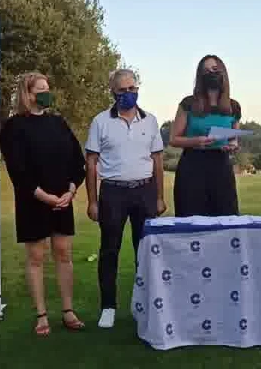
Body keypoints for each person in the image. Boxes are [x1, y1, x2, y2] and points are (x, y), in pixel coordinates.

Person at [0, 72, 86, 335]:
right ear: (27, 94)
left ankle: (68, 310)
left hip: (62, 199)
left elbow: (77, 160)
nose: (47, 93)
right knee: (36, 257)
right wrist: (43, 196)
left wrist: (71, 190)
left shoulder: (58, 123)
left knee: (63, 253)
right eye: (41, 89)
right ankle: (41, 315)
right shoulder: (13, 127)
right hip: (33, 201)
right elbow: (18, 170)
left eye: (48, 88)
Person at [84, 68, 166, 329]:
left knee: (146, 250)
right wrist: (92, 201)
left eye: (133, 88)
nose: (129, 93)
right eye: (123, 90)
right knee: (110, 250)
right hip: (113, 192)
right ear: (113, 92)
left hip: (145, 190)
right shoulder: (100, 122)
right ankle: (108, 307)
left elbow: (158, 160)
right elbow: (91, 162)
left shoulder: (150, 121)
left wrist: (160, 197)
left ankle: (147, 304)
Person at [169, 55, 241, 216]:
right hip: (192, 167)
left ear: (223, 72)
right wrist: (196, 141)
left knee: (226, 217)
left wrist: (233, 145)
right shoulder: (188, 104)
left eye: (214, 69)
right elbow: (174, 139)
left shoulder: (233, 106)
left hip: (221, 167)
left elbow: (234, 138)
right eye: (206, 71)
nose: (211, 74)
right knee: (191, 218)